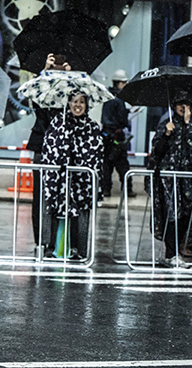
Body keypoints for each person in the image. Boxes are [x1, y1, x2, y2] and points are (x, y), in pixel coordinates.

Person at [149, 91, 192, 268]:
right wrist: (167, 135)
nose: (183, 108)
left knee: (187, 213)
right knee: (171, 214)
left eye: (187, 105)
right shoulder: (166, 124)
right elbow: (157, 152)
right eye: (179, 105)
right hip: (169, 178)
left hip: (189, 178)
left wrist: (187, 125)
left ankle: (177, 248)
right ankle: (171, 253)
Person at [42, 91, 103, 259]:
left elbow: (95, 152)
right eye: (74, 101)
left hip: (82, 181)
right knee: (56, 209)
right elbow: (50, 148)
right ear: (68, 103)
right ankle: (51, 246)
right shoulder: (58, 123)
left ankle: (78, 248)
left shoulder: (92, 126)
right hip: (60, 179)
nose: (78, 105)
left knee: (80, 213)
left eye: (82, 102)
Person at [27, 54, 65, 250]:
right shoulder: (41, 86)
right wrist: (44, 72)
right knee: (41, 197)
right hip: (42, 145)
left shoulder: (71, 89)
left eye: (60, 64)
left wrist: (69, 76)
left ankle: (58, 241)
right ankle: (40, 241)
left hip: (64, 149)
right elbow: (33, 99)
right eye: (54, 64)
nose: (57, 68)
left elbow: (81, 107)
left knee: (61, 197)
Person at [101, 69, 135, 198]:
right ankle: (127, 189)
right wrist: (127, 114)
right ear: (119, 83)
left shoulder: (107, 96)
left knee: (107, 165)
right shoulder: (119, 100)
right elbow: (122, 120)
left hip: (106, 134)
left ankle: (106, 189)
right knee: (122, 164)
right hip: (116, 136)